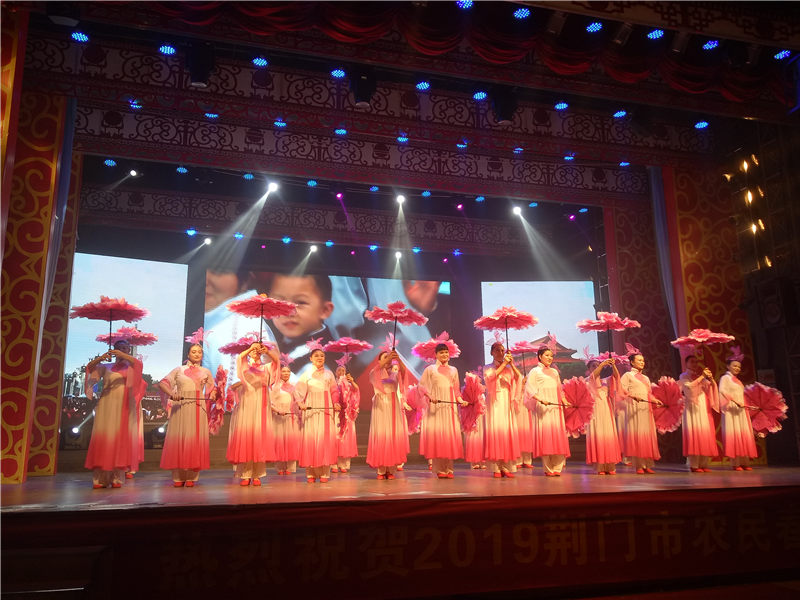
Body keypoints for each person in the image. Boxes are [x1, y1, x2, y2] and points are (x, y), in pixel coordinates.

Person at [83, 340, 146, 489]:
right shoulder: (106, 367)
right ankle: (100, 479)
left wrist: (123, 355)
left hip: (124, 406)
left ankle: (117, 478)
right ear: (113, 349)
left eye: (125, 348)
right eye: (119, 348)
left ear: (129, 350)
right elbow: (90, 369)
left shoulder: (132, 367)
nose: (122, 350)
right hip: (107, 404)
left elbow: (139, 365)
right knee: (104, 438)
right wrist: (100, 358)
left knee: (120, 440)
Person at [203, 268, 276, 386]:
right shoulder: (215, 323)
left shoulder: (243, 327)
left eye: (219, 270)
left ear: (245, 280)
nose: (205, 279)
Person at [158, 343, 216, 487]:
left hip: (198, 407)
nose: (197, 354)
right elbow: (163, 383)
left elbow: (212, 389)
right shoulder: (179, 370)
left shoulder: (206, 371)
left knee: (194, 438)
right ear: (188, 354)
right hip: (180, 406)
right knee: (179, 438)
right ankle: (178, 477)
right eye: (194, 351)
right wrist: (172, 394)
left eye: (199, 352)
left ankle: (192, 476)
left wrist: (213, 394)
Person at [227, 341, 280, 486]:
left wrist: (267, 352)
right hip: (247, 403)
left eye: (258, 348)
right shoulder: (245, 366)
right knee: (247, 437)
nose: (255, 350)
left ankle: (257, 474)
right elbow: (240, 358)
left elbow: (276, 362)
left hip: (261, 403)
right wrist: (250, 348)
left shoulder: (266, 367)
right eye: (253, 349)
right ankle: (245, 474)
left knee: (259, 437)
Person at [267, 273, 335, 373]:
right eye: (279, 303)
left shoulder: (316, 363)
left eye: (301, 302)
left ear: (324, 310)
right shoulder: (280, 342)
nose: (288, 312)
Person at [419, 343, 467, 479]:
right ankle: (439, 468)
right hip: (436, 407)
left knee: (449, 436)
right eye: (441, 352)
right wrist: (430, 397)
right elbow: (421, 387)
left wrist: (460, 400)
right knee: (438, 436)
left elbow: (456, 389)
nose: (444, 354)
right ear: (436, 355)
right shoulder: (430, 369)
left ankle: (449, 468)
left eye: (446, 352)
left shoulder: (453, 370)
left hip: (449, 407)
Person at [294, 347, 341, 483]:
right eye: (316, 356)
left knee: (324, 439)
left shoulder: (329, 374)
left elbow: (334, 391)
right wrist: (300, 403)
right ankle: (311, 473)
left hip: (326, 408)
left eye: (322, 355)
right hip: (311, 409)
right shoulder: (306, 374)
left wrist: (336, 403)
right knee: (311, 438)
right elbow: (298, 391)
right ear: (311, 359)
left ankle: (324, 472)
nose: (320, 358)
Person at [525, 347, 571, 476]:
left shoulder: (554, 372)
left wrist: (565, 401)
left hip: (555, 407)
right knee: (546, 436)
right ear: (540, 356)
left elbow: (559, 389)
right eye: (547, 355)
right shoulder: (535, 371)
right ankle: (548, 468)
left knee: (557, 436)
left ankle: (557, 467)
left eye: (551, 356)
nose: (550, 358)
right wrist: (540, 399)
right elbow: (529, 389)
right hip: (543, 406)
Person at [366, 350, 411, 479]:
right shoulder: (375, 372)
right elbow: (375, 372)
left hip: (393, 405)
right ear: (379, 361)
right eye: (385, 357)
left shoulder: (395, 373)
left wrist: (398, 359)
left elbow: (404, 373)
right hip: (380, 405)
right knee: (382, 434)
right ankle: (381, 470)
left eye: (390, 357)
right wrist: (388, 358)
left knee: (392, 434)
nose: (388, 359)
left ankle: (391, 469)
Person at [483, 343, 521, 478]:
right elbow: (490, 378)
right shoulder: (488, 367)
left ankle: (506, 466)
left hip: (506, 400)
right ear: (491, 352)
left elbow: (519, 378)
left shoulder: (509, 368)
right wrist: (504, 364)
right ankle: (496, 467)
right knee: (496, 430)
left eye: (502, 350)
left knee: (506, 431)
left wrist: (512, 365)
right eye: (497, 350)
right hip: (494, 401)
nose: (500, 352)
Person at [619, 353, 662, 474]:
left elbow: (648, 393)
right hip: (634, 407)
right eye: (639, 360)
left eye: (643, 360)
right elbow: (621, 390)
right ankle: (639, 465)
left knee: (646, 434)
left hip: (645, 408)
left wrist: (655, 400)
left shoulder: (646, 378)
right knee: (638, 434)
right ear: (632, 362)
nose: (642, 362)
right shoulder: (628, 375)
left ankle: (647, 464)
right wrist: (632, 396)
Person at [679, 355, 720, 472]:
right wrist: (702, 376)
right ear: (686, 364)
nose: (695, 364)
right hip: (691, 407)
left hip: (702, 406)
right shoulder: (683, 376)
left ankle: (703, 464)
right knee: (694, 433)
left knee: (703, 433)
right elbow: (689, 388)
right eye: (692, 362)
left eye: (696, 362)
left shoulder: (699, 377)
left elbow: (710, 388)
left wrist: (711, 379)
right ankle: (694, 465)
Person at [718, 353, 758, 470]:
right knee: (734, 433)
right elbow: (722, 391)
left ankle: (745, 462)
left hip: (741, 410)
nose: (737, 368)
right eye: (734, 366)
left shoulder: (738, 381)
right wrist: (735, 401)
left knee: (743, 434)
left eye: (739, 367)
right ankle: (735, 463)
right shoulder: (725, 378)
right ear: (728, 366)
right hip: (731, 409)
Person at [584, 357, 622, 475]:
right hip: (594, 410)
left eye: (597, 365)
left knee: (608, 435)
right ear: (589, 369)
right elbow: (593, 376)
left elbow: (616, 376)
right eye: (593, 366)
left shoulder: (605, 381)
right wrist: (601, 365)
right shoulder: (588, 380)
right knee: (599, 434)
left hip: (606, 409)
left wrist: (613, 365)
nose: (596, 367)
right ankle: (600, 466)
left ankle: (610, 465)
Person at [271, 364, 300, 475]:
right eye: (283, 371)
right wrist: (277, 410)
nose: (286, 373)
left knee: (290, 441)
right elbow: (270, 402)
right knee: (279, 441)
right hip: (278, 417)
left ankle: (290, 467)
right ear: (279, 373)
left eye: (288, 371)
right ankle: (280, 467)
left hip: (290, 417)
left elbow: (298, 401)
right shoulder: (274, 386)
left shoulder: (293, 387)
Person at [333, 365, 360, 473]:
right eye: (339, 370)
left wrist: (352, 381)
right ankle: (334, 464)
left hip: (347, 414)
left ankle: (344, 464)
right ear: (335, 373)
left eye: (343, 370)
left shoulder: (349, 384)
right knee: (335, 437)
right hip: (336, 413)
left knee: (346, 439)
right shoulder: (332, 384)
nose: (341, 371)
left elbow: (356, 390)